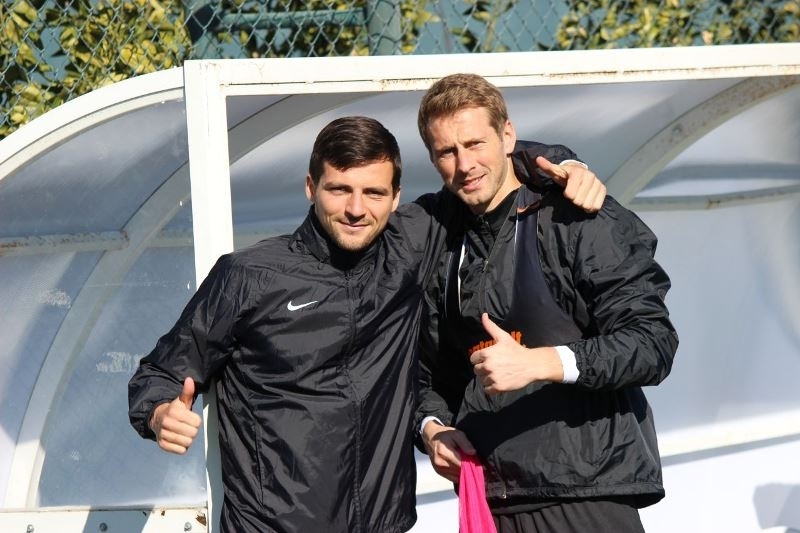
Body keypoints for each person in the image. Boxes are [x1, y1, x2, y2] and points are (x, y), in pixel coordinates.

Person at [128, 116, 604, 533]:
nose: (357, 209)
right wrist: (159, 414)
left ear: (396, 197)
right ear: (311, 187)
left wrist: (564, 161)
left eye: (374, 192)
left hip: (385, 523)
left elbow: (482, 165)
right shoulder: (248, 276)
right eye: (340, 190)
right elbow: (160, 372)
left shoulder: (412, 243)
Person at [415, 73, 679, 533]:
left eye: (475, 143)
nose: (465, 164)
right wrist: (432, 428)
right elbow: (427, 372)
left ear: (508, 136)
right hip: (490, 495)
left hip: (586, 492)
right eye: (447, 152)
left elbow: (653, 343)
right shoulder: (436, 234)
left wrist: (542, 363)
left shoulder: (577, 214)